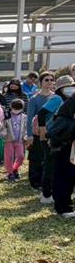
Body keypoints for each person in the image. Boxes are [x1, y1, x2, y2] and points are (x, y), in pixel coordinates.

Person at [35, 75, 72, 205]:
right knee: (50, 165)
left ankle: (53, 191)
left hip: (62, 137)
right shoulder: (57, 99)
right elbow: (41, 113)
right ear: (61, 89)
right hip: (52, 136)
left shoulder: (69, 100)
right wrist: (43, 131)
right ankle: (46, 194)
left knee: (58, 166)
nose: (71, 89)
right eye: (67, 87)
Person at [25, 71, 56, 191]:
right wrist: (29, 135)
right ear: (41, 82)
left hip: (53, 132)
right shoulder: (34, 99)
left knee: (49, 158)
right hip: (37, 132)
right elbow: (29, 118)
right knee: (36, 158)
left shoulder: (56, 98)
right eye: (46, 80)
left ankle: (46, 182)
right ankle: (35, 182)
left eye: (51, 80)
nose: (49, 82)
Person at [49, 78, 75, 218]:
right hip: (67, 144)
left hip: (67, 143)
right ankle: (64, 208)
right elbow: (61, 125)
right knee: (65, 177)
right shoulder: (70, 103)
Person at [2, 99, 26, 182]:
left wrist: (26, 136)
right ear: (11, 107)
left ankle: (15, 168)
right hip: (9, 140)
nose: (16, 110)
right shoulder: (7, 116)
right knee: (9, 157)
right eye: (14, 109)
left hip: (20, 140)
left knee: (21, 156)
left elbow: (26, 127)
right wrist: (3, 132)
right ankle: (10, 172)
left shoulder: (24, 117)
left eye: (18, 109)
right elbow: (2, 126)